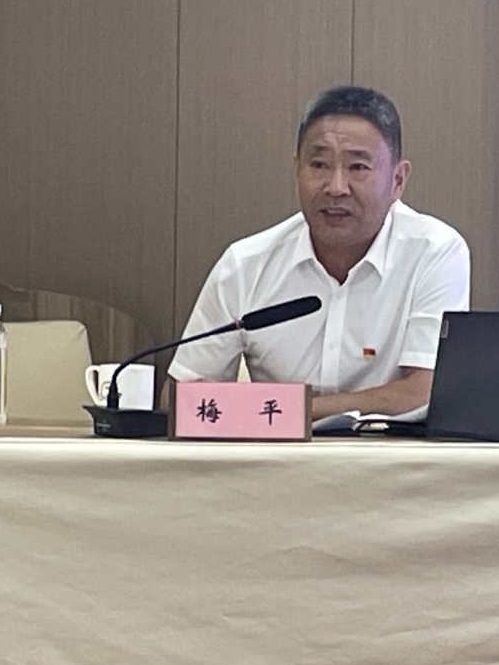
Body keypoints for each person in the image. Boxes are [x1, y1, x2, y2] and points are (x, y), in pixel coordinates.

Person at [168, 85, 470, 420]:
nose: (336, 187)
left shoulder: (434, 252)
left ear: (397, 180)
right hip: (275, 452)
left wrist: (289, 411)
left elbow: (424, 392)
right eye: (319, 164)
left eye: (358, 167)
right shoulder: (245, 265)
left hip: (389, 452)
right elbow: (181, 398)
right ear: (296, 169)